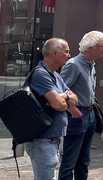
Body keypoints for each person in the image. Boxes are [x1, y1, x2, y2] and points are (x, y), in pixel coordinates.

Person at [26, 38, 79, 180]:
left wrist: (63, 97)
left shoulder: (55, 75)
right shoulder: (40, 74)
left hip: (51, 139)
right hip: (42, 139)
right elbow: (58, 105)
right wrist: (63, 98)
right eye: (66, 51)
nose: (69, 55)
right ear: (55, 53)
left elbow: (74, 99)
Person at [59, 30, 103, 180]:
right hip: (77, 116)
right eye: (101, 45)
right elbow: (59, 91)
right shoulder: (73, 65)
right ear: (90, 48)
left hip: (89, 114)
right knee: (70, 160)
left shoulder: (91, 65)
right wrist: (73, 109)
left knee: (84, 160)